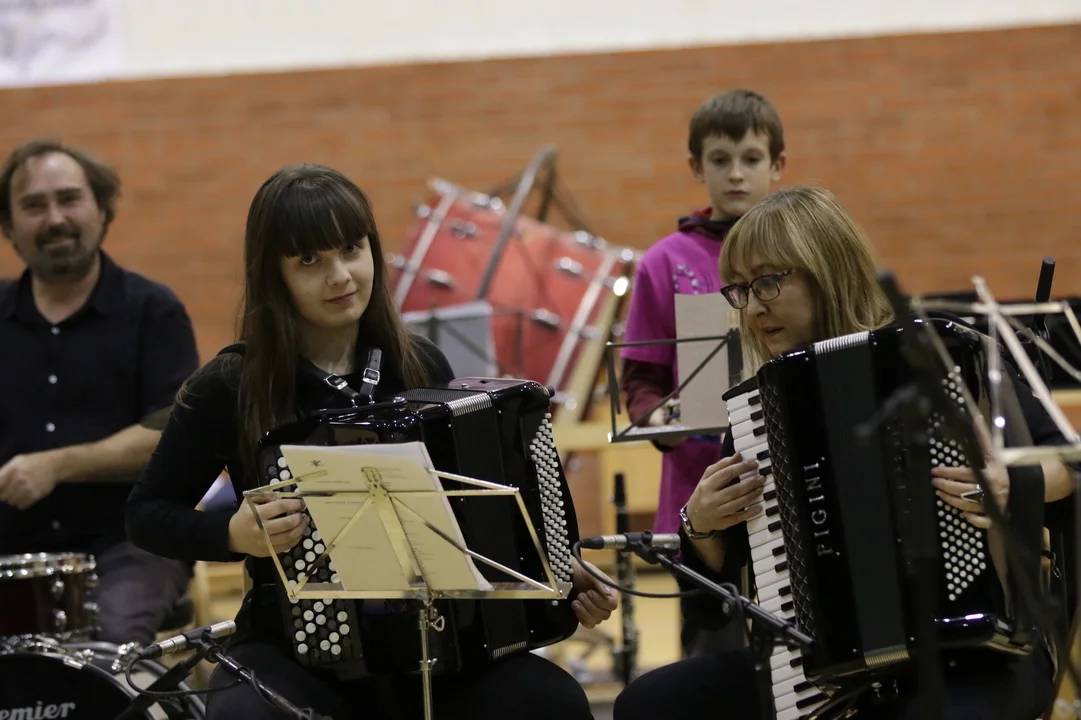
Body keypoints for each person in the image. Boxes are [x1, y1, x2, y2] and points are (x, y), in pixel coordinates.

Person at [125, 164, 619, 720]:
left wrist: (553, 570)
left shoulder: (420, 364)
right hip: (293, 644)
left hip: (437, 638)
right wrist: (232, 533)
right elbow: (146, 514)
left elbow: (473, 516)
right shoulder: (231, 384)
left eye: (351, 249)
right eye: (309, 261)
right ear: (273, 274)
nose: (340, 276)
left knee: (551, 702)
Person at [613, 186, 1075, 720]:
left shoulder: (939, 356)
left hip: (980, 655)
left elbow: (1070, 461)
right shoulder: (760, 417)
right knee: (649, 704)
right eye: (739, 289)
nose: (754, 306)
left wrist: (1009, 484)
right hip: (822, 667)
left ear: (826, 270)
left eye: (767, 281)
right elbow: (713, 611)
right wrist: (700, 529)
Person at [0, 139, 198, 647]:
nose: (55, 219)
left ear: (103, 209)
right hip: (10, 548)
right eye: (33, 205)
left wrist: (57, 465)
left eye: (69, 199)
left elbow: (172, 435)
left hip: (131, 544)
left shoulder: (153, 311)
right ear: (9, 226)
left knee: (100, 654)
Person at [618, 88, 786, 657]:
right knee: (714, 663)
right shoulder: (661, 262)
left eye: (751, 158)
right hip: (702, 501)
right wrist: (656, 420)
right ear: (696, 167)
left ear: (778, 165)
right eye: (720, 160)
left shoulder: (800, 253)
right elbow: (641, 382)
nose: (736, 173)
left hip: (790, 485)